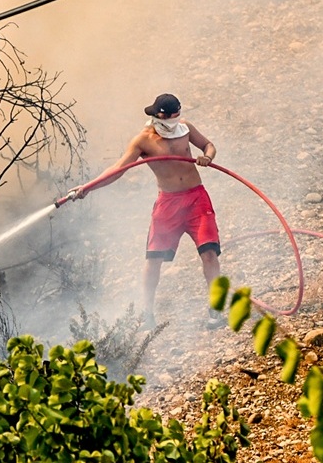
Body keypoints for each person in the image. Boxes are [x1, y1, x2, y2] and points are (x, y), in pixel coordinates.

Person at [74, 93, 220, 329]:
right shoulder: (143, 140)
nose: (174, 120)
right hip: (168, 203)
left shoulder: (185, 128)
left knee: (209, 253)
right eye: (169, 116)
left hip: (196, 199)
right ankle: (147, 315)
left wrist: (207, 157)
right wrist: (88, 188)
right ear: (158, 115)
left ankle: (215, 309)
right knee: (154, 260)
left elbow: (208, 145)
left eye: (177, 116)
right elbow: (119, 168)